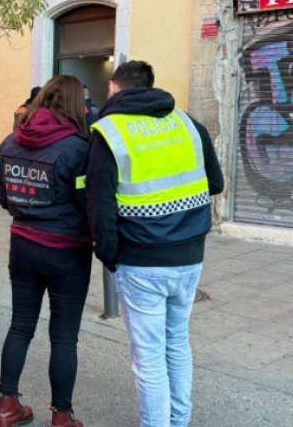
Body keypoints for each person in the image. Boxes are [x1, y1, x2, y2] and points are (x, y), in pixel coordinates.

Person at [85, 61, 224, 427]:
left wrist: (109, 255)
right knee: (176, 343)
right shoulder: (187, 123)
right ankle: (179, 421)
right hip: (190, 255)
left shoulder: (109, 131)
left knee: (147, 358)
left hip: (141, 260)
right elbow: (216, 183)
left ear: (114, 90)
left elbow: (98, 206)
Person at [0, 75, 91, 427]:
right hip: (67, 252)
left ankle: (7, 407)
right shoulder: (79, 148)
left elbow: (5, 198)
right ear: (73, 105)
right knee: (64, 338)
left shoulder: (9, 142)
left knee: (20, 327)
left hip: (22, 245)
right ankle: (61, 417)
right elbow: (88, 204)